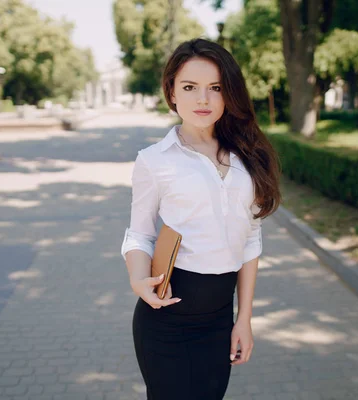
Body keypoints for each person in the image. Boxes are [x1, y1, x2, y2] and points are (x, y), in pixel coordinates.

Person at [120, 38, 281, 400]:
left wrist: (244, 318)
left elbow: (251, 238)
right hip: (166, 318)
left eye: (215, 88)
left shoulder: (247, 158)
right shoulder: (154, 160)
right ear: (172, 93)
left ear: (229, 95)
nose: (203, 100)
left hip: (220, 319)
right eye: (189, 88)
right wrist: (137, 280)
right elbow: (139, 234)